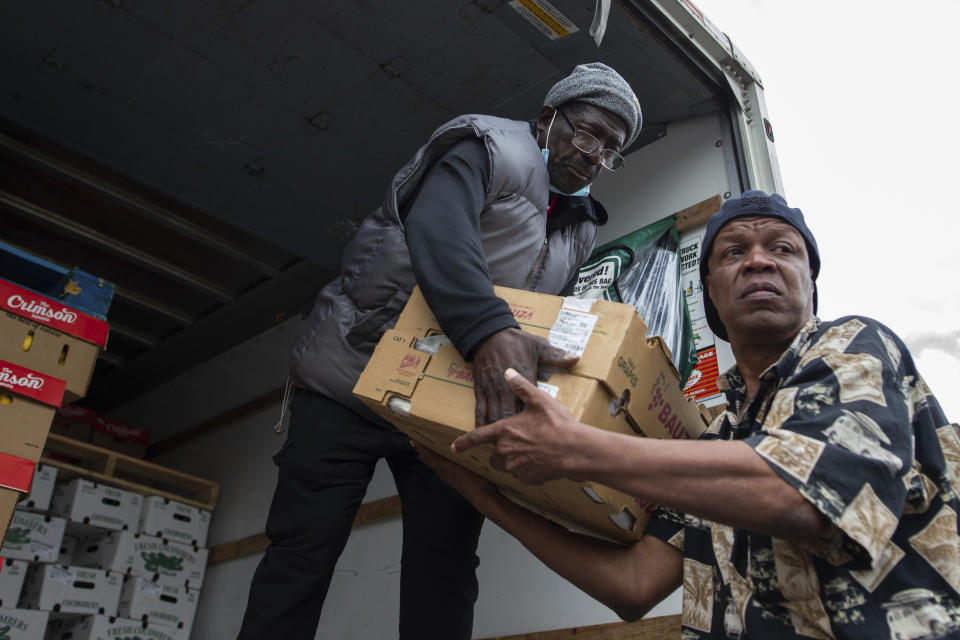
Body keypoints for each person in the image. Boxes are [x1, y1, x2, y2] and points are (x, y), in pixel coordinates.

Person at [417, 190, 960, 639]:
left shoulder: (854, 347)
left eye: (783, 249)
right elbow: (632, 586)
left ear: (812, 282)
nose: (759, 260)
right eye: (732, 252)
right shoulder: (711, 446)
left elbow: (802, 495)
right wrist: (486, 497)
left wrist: (577, 449)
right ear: (710, 294)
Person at [236, 63, 644, 640]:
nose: (593, 154)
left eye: (609, 148)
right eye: (587, 133)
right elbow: (439, 229)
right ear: (548, 117)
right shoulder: (486, 147)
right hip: (349, 376)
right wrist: (486, 330)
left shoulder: (579, 227)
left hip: (446, 403)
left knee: (447, 569)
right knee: (302, 552)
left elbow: (540, 312)